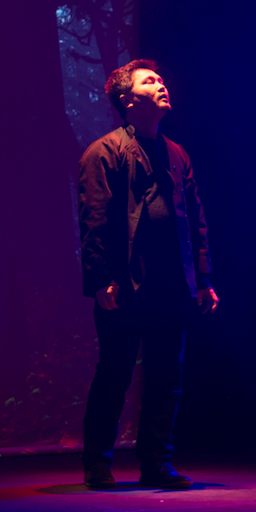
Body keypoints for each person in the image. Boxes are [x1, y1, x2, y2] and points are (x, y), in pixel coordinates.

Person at [77, 60, 217, 490]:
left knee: (166, 377)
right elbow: (94, 218)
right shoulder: (105, 151)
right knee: (115, 373)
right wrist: (101, 280)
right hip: (124, 284)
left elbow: (194, 220)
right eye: (149, 81)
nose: (161, 85)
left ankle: (157, 462)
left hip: (170, 284)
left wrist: (204, 279)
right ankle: (98, 463)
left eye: (160, 79)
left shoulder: (177, 154)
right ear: (126, 99)